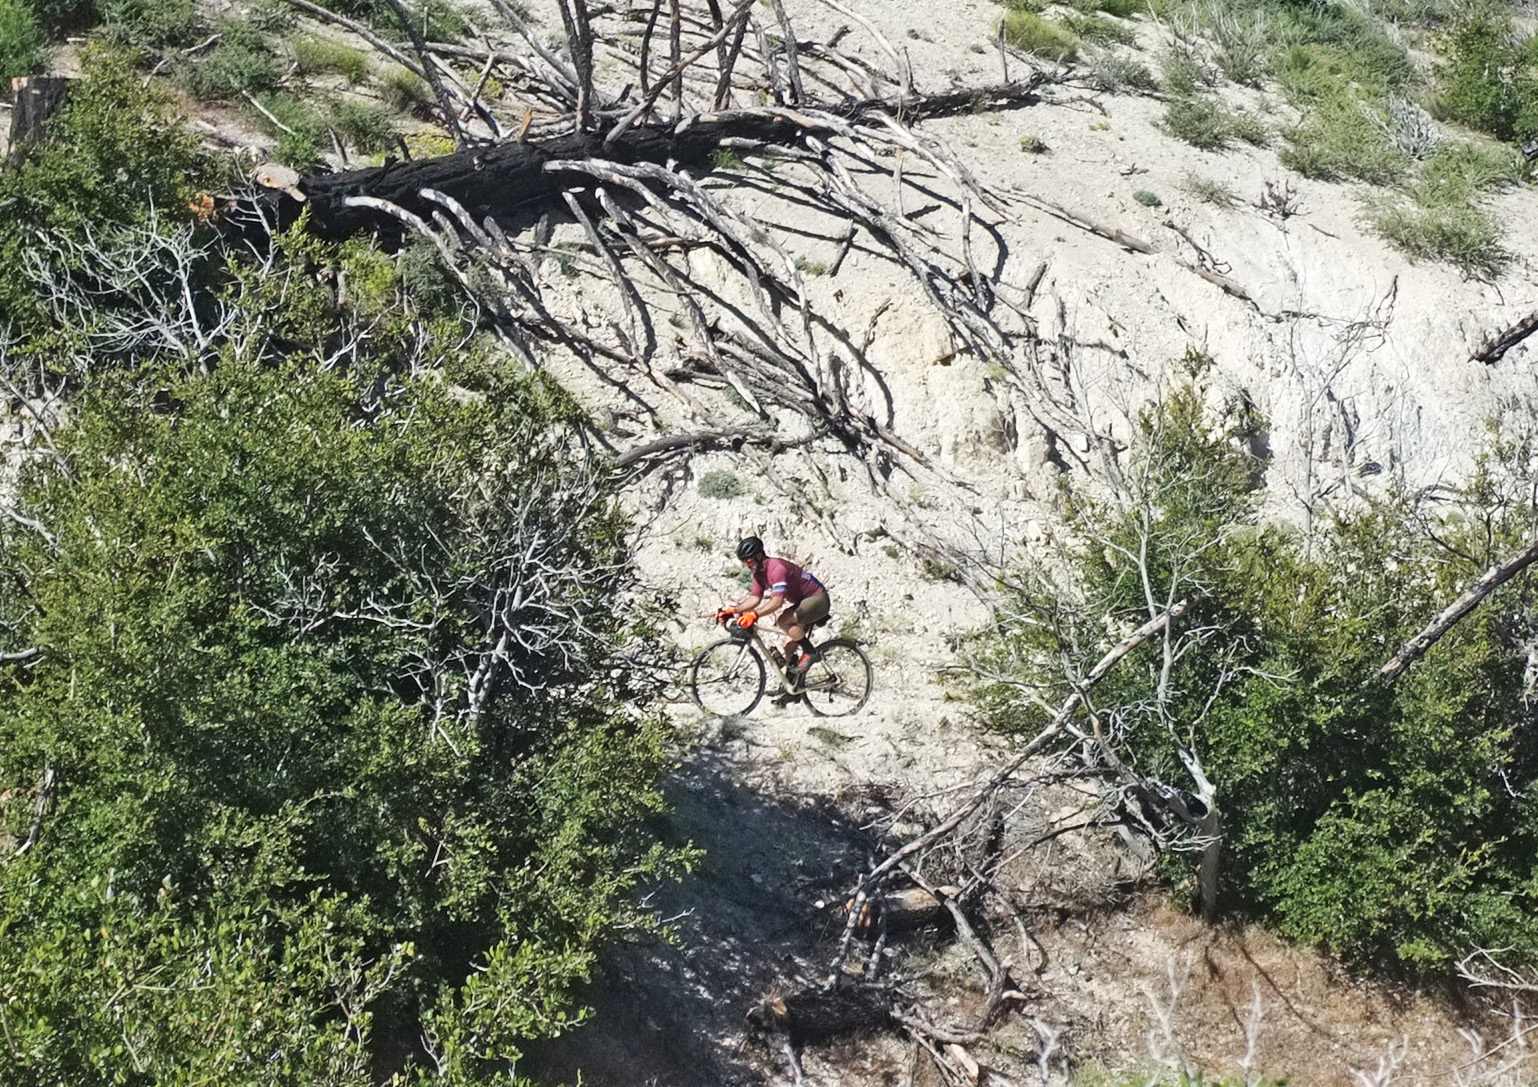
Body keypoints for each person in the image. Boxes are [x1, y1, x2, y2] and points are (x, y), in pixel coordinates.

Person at [716, 536, 830, 688]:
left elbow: (777, 602)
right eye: (744, 563)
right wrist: (733, 610)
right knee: (789, 646)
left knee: (784, 620)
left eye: (748, 561)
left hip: (817, 599)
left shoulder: (777, 569)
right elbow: (755, 597)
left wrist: (754, 614)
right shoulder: (758, 572)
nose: (747, 566)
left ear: (759, 555)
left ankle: (811, 652)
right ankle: (793, 690)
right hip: (802, 602)